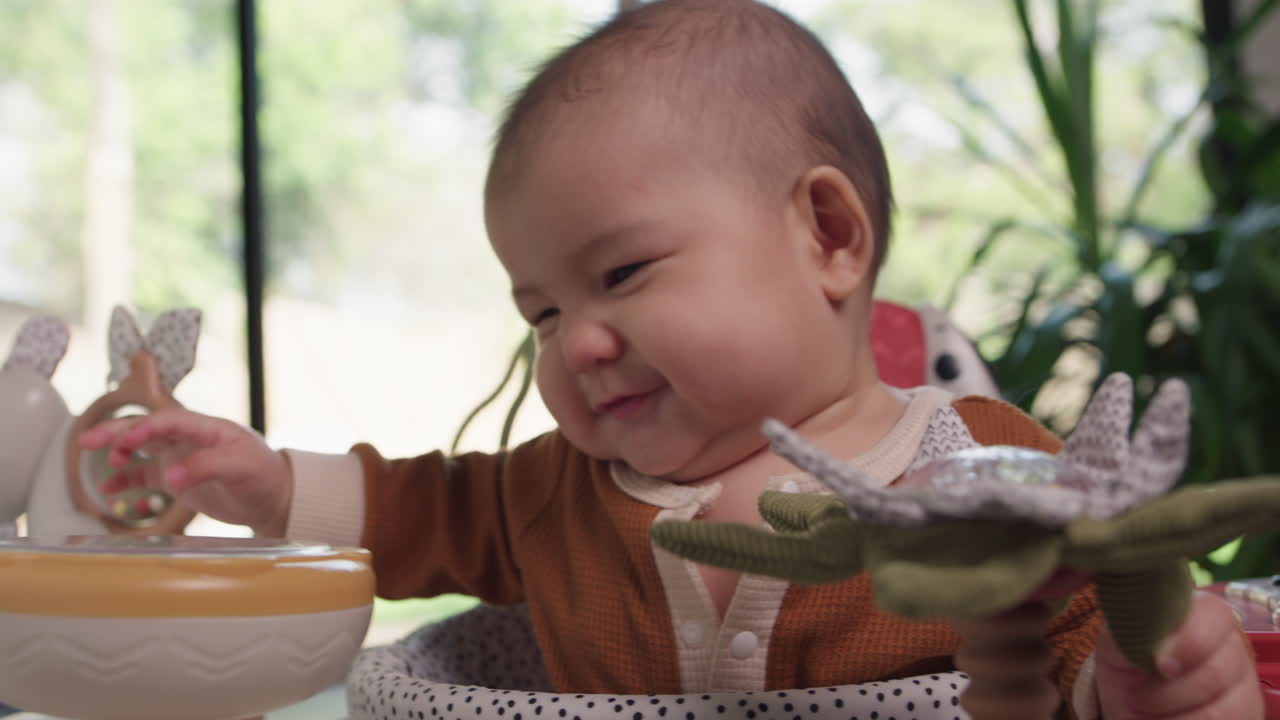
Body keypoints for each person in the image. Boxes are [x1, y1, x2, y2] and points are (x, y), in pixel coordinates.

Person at [80, 1, 1260, 717]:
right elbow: (412, 509)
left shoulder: (987, 470)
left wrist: (1145, 682)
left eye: (624, 274)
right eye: (540, 311)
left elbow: (1075, 648)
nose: (575, 342)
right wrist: (264, 482)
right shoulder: (556, 489)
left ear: (827, 236)